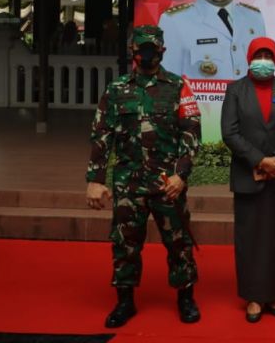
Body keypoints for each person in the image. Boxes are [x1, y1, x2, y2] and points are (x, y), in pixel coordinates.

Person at [85, 25, 202, 328]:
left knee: (179, 242)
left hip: (168, 184)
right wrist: (95, 180)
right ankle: (125, 301)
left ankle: (185, 298)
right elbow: (101, 135)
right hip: (128, 183)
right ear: (132, 51)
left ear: (162, 50)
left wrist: (181, 175)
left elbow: (191, 134)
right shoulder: (116, 89)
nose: (147, 53)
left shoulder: (178, 87)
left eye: (153, 48)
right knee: (124, 244)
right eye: (142, 48)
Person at [221, 36, 275, 323]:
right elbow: (230, 132)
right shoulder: (235, 91)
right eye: (258, 55)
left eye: (268, 56)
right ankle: (254, 297)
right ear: (248, 57)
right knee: (250, 237)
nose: (263, 61)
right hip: (249, 175)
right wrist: (259, 160)